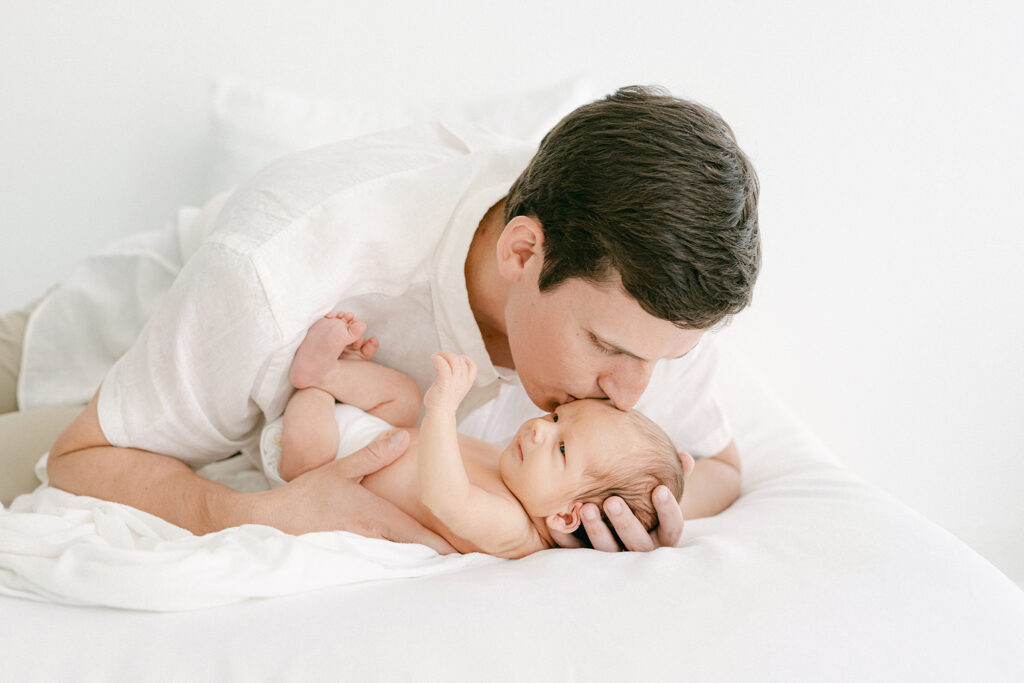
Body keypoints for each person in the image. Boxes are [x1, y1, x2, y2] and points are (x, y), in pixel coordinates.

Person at [36, 85, 759, 552]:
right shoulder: (280, 269)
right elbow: (78, 459)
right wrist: (255, 516)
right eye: (604, 346)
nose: (632, 393)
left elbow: (718, 468)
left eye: (661, 361)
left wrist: (640, 505)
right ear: (522, 250)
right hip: (88, 371)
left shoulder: (648, 302)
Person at [267, 312, 689, 558]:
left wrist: (444, 408)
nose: (541, 428)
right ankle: (334, 372)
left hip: (327, 471)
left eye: (561, 447)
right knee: (402, 395)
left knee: (310, 451)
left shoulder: (513, 529)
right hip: (379, 432)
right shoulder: (517, 476)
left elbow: (445, 497)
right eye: (558, 417)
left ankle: (315, 386)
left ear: (565, 517)